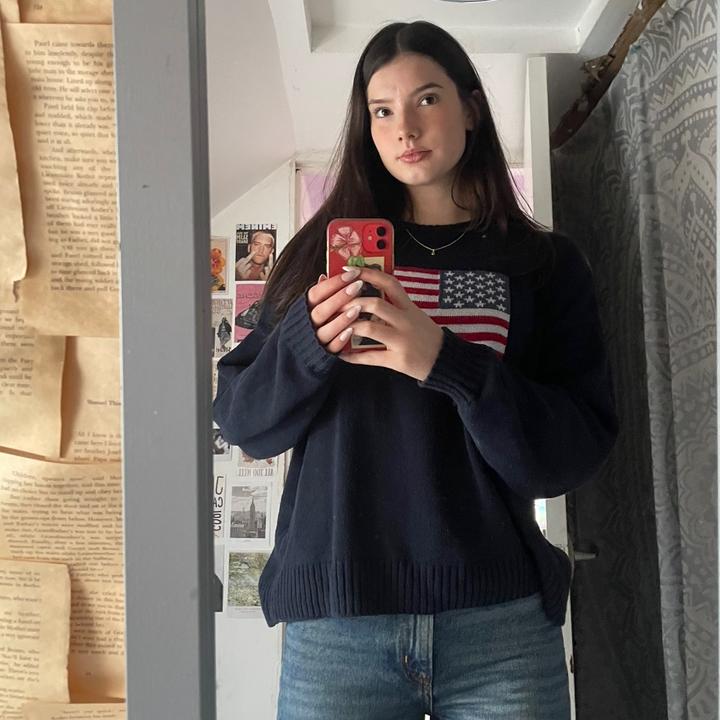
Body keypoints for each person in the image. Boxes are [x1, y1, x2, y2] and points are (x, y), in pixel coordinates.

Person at [214, 20, 618, 720]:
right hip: (337, 626)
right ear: (366, 127)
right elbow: (245, 422)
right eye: (381, 110)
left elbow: (569, 454)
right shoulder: (317, 262)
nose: (405, 126)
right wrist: (308, 342)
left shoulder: (545, 265)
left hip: (499, 624)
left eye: (427, 98)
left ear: (471, 108)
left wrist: (446, 362)